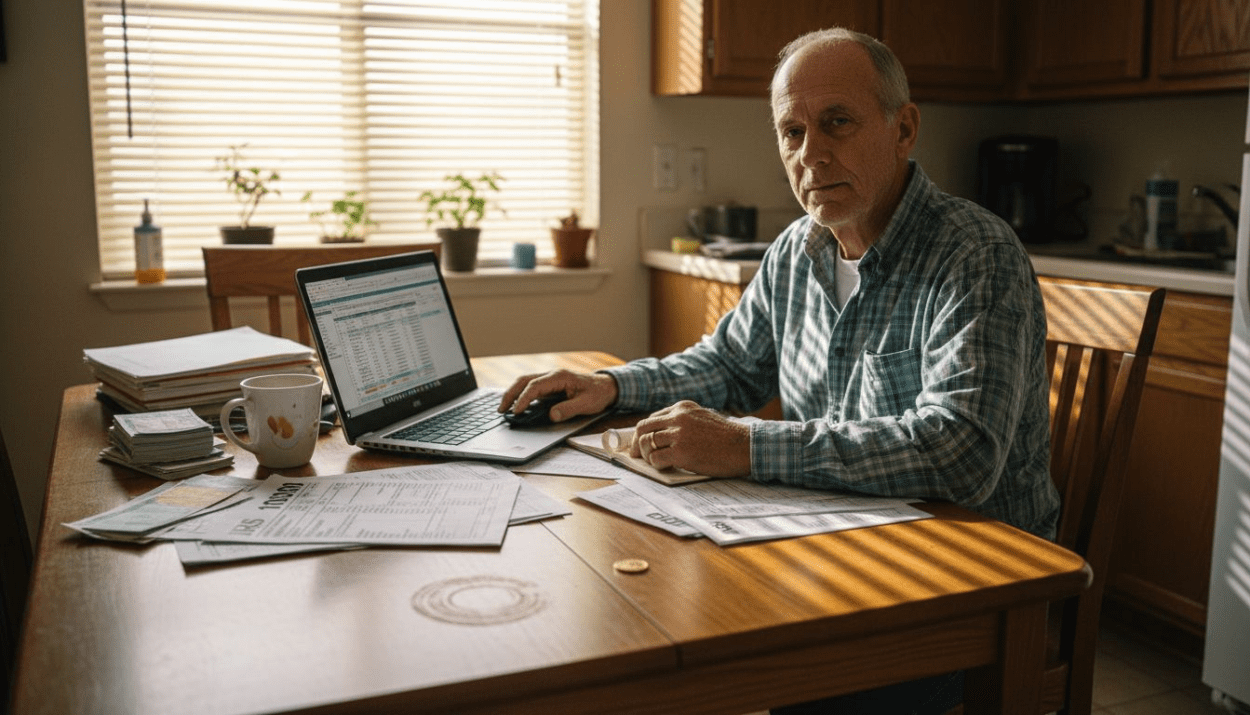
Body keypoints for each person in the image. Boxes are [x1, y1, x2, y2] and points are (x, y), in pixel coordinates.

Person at [500, 27, 1061, 713]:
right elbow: (731, 365)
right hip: (847, 551)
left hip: (973, 589)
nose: (811, 154)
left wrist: (743, 445)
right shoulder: (798, 249)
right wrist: (612, 386)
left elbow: (962, 451)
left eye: (837, 123)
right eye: (791, 132)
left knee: (781, 677)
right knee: (661, 624)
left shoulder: (974, 253)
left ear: (904, 127)